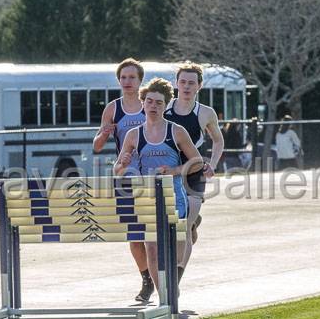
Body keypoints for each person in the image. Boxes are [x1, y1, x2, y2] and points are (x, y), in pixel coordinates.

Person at [115, 78, 204, 301]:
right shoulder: (134, 135)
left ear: (166, 106)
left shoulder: (177, 131)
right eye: (150, 102)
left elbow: (197, 162)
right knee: (152, 249)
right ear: (142, 103)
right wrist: (123, 163)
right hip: (148, 198)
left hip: (175, 197)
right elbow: (117, 170)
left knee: (173, 252)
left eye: (159, 103)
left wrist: (174, 170)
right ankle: (165, 296)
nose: (153, 106)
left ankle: (170, 286)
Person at [93, 58, 152, 301]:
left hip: (154, 175)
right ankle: (147, 279)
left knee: (155, 232)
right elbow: (96, 146)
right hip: (126, 177)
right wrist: (105, 133)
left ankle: (163, 276)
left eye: (132, 78)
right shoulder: (113, 108)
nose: (127, 82)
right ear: (119, 80)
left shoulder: (151, 103)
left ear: (140, 81)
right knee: (135, 234)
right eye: (123, 77)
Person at [165, 62, 224, 283]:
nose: (186, 87)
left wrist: (213, 164)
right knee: (177, 225)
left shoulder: (205, 113)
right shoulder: (165, 109)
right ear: (176, 84)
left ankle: (177, 277)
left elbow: (218, 140)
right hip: (169, 172)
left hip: (194, 172)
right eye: (183, 82)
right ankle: (192, 222)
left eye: (191, 83)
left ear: (199, 86)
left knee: (184, 227)